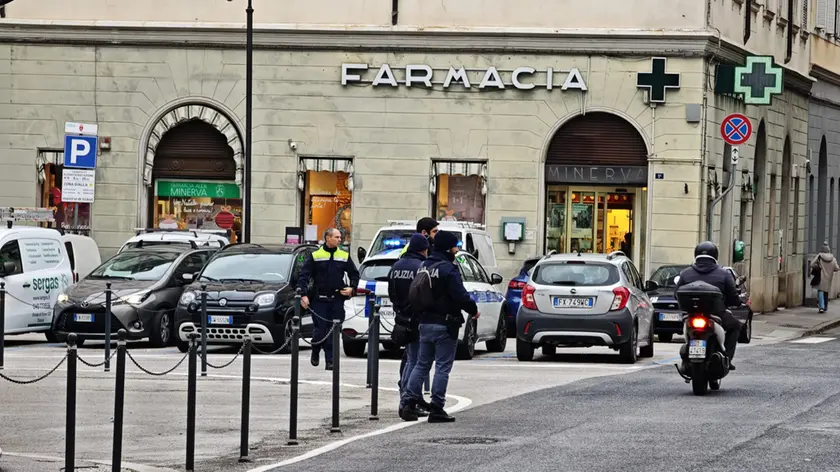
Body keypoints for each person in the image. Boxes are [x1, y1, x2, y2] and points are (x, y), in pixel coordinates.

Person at [401, 230, 478, 423]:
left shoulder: (424, 265)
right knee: (443, 367)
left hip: (424, 322)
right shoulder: (448, 269)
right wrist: (473, 309)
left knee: (421, 364)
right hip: (445, 323)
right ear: (447, 248)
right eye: (455, 246)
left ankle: (408, 402)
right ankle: (437, 407)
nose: (457, 249)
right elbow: (460, 295)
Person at [297, 228, 360, 370]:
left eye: (340, 237)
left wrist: (352, 288)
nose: (340, 239)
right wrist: (304, 294)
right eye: (337, 237)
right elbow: (304, 276)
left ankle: (330, 360)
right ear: (328, 238)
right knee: (320, 330)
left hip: (337, 299)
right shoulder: (316, 255)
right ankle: (315, 349)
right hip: (319, 299)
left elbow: (354, 274)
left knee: (333, 330)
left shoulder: (343, 255)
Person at [675, 241, 742, 371]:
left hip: (691, 315)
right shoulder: (724, 274)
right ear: (715, 255)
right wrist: (737, 302)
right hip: (717, 314)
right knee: (735, 326)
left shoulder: (685, 273)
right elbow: (733, 296)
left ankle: (687, 355)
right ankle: (727, 357)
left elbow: (675, 294)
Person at [388, 233, 431, 418]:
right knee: (415, 361)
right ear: (423, 249)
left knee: (409, 361)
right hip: (416, 318)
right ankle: (407, 400)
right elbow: (423, 294)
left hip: (401, 317)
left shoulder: (396, 266)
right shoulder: (421, 266)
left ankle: (406, 398)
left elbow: (391, 292)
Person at [811, 242, 840, 313]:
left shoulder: (820, 256)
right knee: (826, 292)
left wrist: (817, 266)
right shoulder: (833, 259)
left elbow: (812, 264)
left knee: (820, 291)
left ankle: (821, 307)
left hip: (821, 277)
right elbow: (837, 268)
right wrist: (831, 270)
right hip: (828, 278)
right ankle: (825, 307)